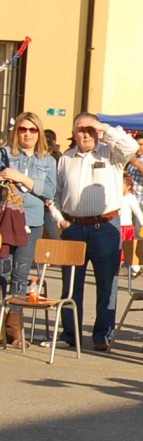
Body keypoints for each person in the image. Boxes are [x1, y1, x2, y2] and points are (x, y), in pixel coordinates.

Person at [50, 112, 139, 351]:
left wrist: (101, 126)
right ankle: (71, 334)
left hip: (105, 227)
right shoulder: (66, 159)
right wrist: (60, 220)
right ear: (73, 133)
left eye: (90, 130)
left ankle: (102, 334)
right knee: (71, 285)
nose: (86, 134)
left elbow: (131, 145)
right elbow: (56, 195)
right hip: (74, 227)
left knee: (106, 285)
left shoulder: (111, 154)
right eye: (81, 129)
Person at [0, 111, 56, 347]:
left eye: (33, 130)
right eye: (23, 129)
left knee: (20, 276)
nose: (27, 134)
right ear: (16, 132)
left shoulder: (48, 160)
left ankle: (15, 332)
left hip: (31, 222)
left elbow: (50, 192)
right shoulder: (5, 154)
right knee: (2, 273)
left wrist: (21, 178)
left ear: (39, 134)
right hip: (4, 221)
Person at [118, 173, 143, 276]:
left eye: (121, 184)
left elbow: (138, 212)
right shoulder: (116, 196)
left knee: (127, 250)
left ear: (128, 187)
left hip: (126, 228)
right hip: (117, 227)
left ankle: (136, 268)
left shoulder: (130, 198)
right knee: (116, 249)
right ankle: (115, 268)